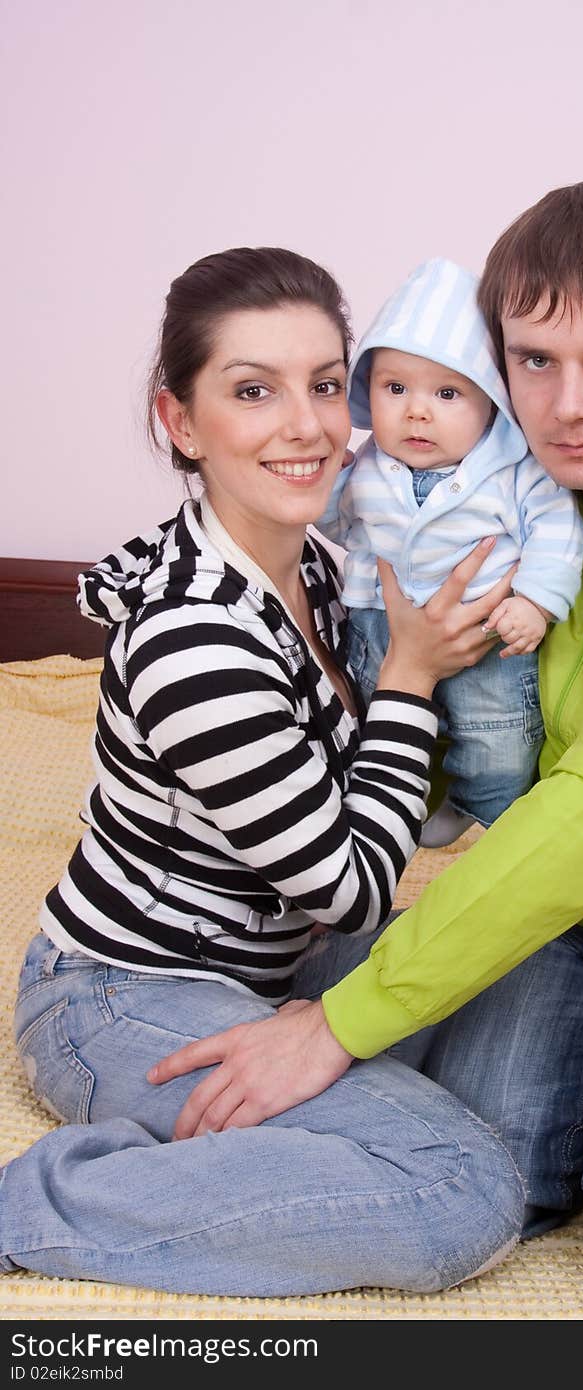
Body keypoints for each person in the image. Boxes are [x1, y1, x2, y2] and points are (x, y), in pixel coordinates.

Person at [151, 184, 583, 1320]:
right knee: (495, 1185)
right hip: (567, 923)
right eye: (533, 361)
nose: (569, 404)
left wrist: (339, 1022)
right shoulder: (519, 497)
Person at [1, 246, 526, 1295]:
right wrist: (412, 679)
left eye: (328, 384)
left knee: (532, 983)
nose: (308, 425)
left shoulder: (324, 566)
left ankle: (208, 1160)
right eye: (254, 391)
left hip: (274, 967)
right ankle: (38, 1202)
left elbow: (393, 817)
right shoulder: (194, 637)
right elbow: (351, 886)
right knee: (461, 1184)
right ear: (181, 422)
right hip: (121, 991)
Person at [318, 256, 583, 847]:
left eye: (447, 392)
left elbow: (558, 530)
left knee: (499, 739)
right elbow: (339, 526)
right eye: (395, 388)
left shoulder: (515, 469)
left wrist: (536, 603)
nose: (417, 410)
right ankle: (388, 801)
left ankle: (479, 806)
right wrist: (326, 482)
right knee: (368, 717)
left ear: (491, 400)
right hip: (378, 622)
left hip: (488, 632)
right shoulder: (367, 466)